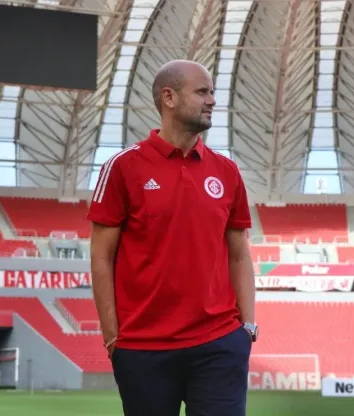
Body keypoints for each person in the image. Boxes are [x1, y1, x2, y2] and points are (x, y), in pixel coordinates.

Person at [87, 59, 258, 416]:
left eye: (212, 92)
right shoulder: (122, 167)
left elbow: (239, 254)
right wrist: (113, 338)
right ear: (169, 97)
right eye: (202, 91)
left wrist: (247, 328)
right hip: (143, 349)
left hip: (219, 344)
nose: (212, 100)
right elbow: (101, 256)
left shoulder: (226, 171)